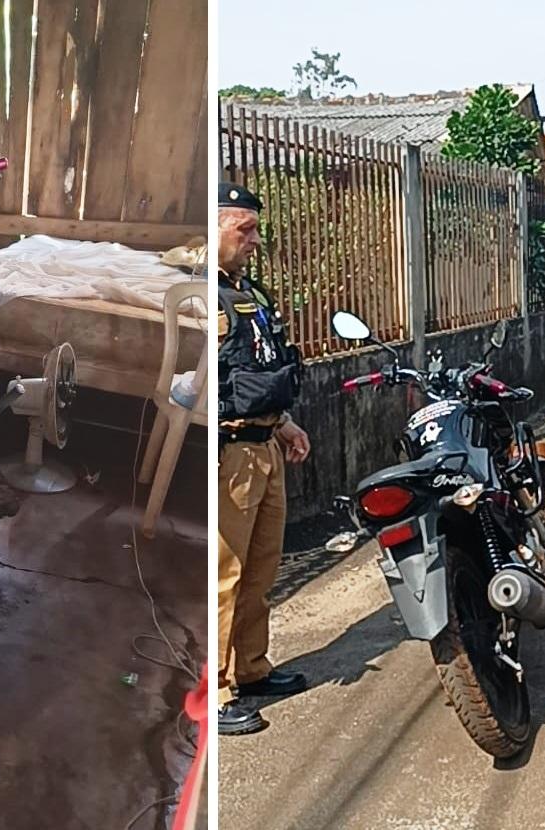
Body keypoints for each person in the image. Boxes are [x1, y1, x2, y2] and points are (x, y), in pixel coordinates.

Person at [216, 182, 311, 735]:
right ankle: (218, 689)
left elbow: (262, 370)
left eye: (256, 228)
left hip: (265, 446)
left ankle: (250, 669)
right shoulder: (203, 296)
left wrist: (287, 425)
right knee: (224, 575)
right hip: (229, 453)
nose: (255, 239)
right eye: (243, 229)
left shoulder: (251, 294)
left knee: (260, 571)